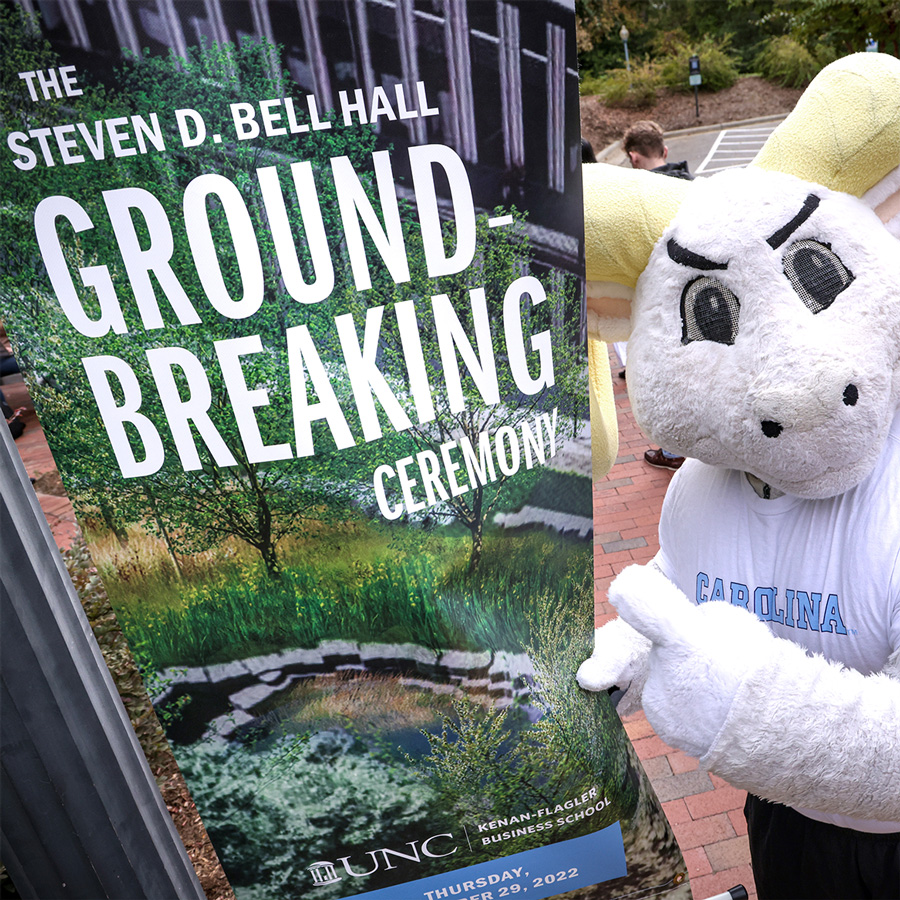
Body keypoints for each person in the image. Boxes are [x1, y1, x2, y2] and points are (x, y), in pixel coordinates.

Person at [623, 121, 692, 469]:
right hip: (699, 296)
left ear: (634, 158)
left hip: (663, 303)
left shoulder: (637, 198)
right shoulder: (690, 186)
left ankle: (672, 450)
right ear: (664, 151)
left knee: (667, 380)